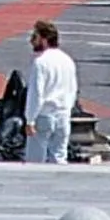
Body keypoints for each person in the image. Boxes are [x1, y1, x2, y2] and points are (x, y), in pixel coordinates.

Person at [23, 18, 77, 164]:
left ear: (44, 39)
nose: (31, 41)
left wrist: (30, 119)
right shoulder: (67, 60)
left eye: (35, 37)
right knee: (59, 157)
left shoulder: (40, 62)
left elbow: (36, 94)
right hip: (63, 114)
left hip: (44, 115)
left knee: (35, 159)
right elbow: (73, 90)